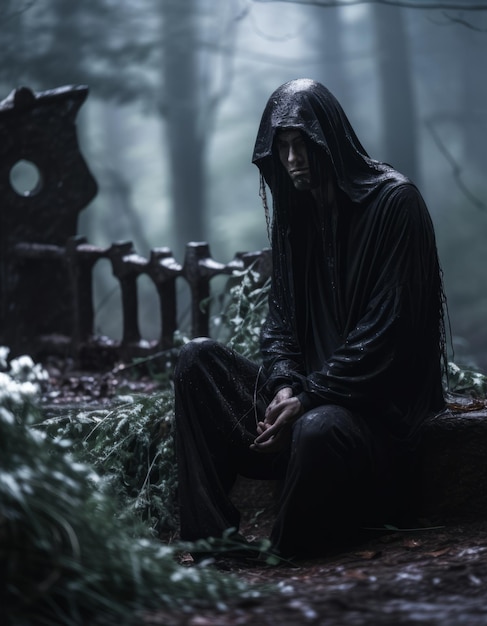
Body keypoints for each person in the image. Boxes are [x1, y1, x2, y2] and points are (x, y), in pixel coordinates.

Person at [173, 78, 446, 558]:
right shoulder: (295, 216)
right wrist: (282, 387)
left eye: (303, 144)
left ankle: (282, 553)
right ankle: (214, 545)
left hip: (373, 426)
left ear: (330, 142)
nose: (294, 159)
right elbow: (279, 326)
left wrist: (308, 398)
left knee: (318, 428)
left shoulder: (395, 204)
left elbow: (387, 336)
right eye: (283, 148)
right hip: (302, 408)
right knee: (197, 361)